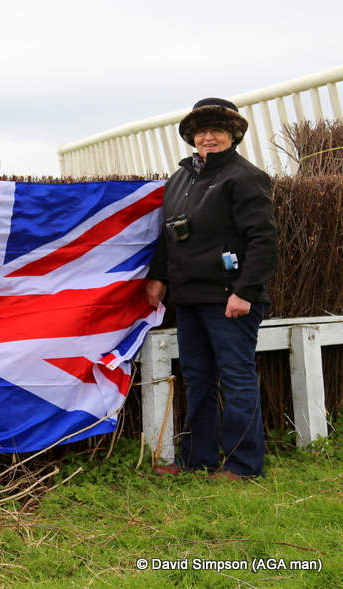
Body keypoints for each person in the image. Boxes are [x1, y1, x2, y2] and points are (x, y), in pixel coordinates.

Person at [145, 98, 277, 481]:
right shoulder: (182, 177)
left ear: (233, 135)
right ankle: (196, 458)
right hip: (188, 298)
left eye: (217, 130)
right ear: (191, 137)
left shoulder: (244, 176)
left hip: (229, 297)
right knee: (197, 377)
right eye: (201, 131)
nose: (208, 137)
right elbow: (168, 234)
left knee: (236, 378)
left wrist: (246, 291)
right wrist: (159, 276)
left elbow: (263, 240)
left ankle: (243, 464)